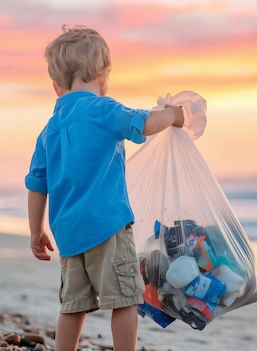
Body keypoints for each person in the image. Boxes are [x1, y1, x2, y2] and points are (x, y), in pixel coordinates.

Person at [24, 25, 184, 351]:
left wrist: (35, 231)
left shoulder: (49, 130)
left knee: (73, 306)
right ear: (102, 76)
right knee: (124, 300)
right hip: (108, 227)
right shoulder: (103, 109)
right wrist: (174, 115)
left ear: (56, 87)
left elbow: (37, 183)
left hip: (68, 234)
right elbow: (144, 122)